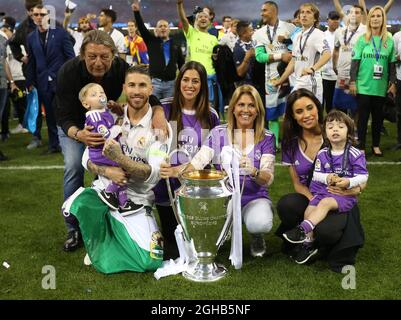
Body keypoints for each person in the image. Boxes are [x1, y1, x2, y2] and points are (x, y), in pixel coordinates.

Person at [55, 29, 168, 252]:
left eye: (104, 57)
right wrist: (79, 134)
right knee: (73, 166)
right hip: (75, 127)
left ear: (114, 55)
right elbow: (63, 115)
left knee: (107, 172)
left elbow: (146, 92)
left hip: (106, 126)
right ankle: (73, 228)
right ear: (82, 55)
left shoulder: (120, 69)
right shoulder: (68, 72)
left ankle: (107, 222)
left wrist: (159, 113)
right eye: (92, 56)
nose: (98, 62)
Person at [160, 85, 275, 258]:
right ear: (233, 108)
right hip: (224, 199)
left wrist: (254, 171)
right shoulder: (218, 133)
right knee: (210, 220)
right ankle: (222, 232)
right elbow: (197, 163)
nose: (246, 110)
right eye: (241, 105)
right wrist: (174, 171)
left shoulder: (266, 137)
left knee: (260, 223)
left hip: (254, 197)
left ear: (258, 110)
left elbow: (268, 178)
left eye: (251, 105)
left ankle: (256, 236)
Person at [277, 88, 366, 272]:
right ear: (293, 116)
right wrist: (315, 202)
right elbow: (297, 183)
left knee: (326, 231)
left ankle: (322, 243)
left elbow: (362, 177)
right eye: (299, 111)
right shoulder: (290, 142)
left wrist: (352, 189)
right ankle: (307, 240)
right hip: (314, 195)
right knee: (287, 205)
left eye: (310, 108)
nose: (307, 115)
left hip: (340, 197)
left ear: (318, 107)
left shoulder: (335, 132)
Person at [153, 61, 220, 259]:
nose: (190, 85)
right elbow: (154, 146)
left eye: (196, 81)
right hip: (165, 188)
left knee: (197, 249)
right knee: (172, 250)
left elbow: (211, 157)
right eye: (186, 80)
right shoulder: (162, 109)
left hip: (195, 190)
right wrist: (162, 166)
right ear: (179, 81)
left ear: (202, 86)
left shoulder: (211, 115)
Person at [79, 82, 142, 215]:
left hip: (108, 151)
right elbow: (105, 134)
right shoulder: (94, 115)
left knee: (124, 171)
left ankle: (123, 203)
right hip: (102, 153)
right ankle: (109, 193)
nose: (100, 95)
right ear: (86, 104)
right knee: (124, 170)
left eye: (102, 92)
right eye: (94, 94)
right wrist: (119, 128)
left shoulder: (103, 112)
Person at [25, 4, 75, 153]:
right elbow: (32, 61)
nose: (39, 17)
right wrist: (30, 82)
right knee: (50, 116)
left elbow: (70, 58)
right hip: (42, 83)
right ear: (32, 17)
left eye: (42, 14)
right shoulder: (31, 37)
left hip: (61, 81)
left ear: (48, 16)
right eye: (36, 15)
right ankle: (54, 145)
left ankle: (70, 141)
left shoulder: (60, 33)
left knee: (65, 113)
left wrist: (68, 78)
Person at [349, 5, 397, 157]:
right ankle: (361, 146)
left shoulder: (389, 41)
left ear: (383, 19)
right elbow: (355, 62)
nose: (376, 19)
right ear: (369, 20)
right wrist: (352, 82)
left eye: (379, 16)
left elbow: (392, 64)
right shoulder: (362, 40)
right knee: (362, 118)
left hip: (381, 87)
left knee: (378, 118)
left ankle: (376, 145)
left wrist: (393, 83)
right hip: (363, 86)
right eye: (373, 16)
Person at [253, 1, 295, 148]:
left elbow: (299, 47)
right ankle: (275, 143)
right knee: (272, 115)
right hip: (271, 79)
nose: (261, 13)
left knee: (292, 111)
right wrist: (280, 56)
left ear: (273, 11)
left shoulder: (290, 28)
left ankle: (292, 141)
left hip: (291, 77)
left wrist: (290, 54)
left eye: (264, 10)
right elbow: (259, 57)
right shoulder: (258, 33)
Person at [272, 3, 331, 104]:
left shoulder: (318, 34)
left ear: (315, 18)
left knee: (312, 116)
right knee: (293, 112)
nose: (304, 15)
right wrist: (281, 80)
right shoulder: (297, 36)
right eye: (302, 12)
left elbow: (327, 54)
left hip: (311, 82)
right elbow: (294, 60)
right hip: (299, 81)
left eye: (308, 12)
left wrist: (312, 69)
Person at [176, 1, 223, 115]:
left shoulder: (214, 39)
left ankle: (208, 132)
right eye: (200, 17)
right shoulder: (192, 33)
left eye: (205, 17)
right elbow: (183, 20)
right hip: (195, 78)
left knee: (208, 110)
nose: (203, 18)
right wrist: (179, 5)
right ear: (196, 20)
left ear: (209, 21)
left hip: (210, 79)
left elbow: (216, 58)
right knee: (193, 109)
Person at [132, 1, 184, 100]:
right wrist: (136, 12)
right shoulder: (151, 41)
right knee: (153, 109)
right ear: (156, 30)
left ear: (169, 29)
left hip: (171, 85)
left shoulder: (175, 45)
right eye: (160, 26)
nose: (163, 28)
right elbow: (142, 28)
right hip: (155, 84)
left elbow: (181, 64)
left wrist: (183, 80)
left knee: (168, 111)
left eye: (165, 26)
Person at [332, 5, 366, 117]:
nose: (353, 15)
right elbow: (336, 49)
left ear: (362, 15)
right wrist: (334, 65)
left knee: (356, 106)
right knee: (340, 105)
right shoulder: (340, 31)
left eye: (357, 12)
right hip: (342, 74)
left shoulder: (365, 31)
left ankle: (355, 129)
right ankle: (343, 129)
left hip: (358, 75)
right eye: (351, 12)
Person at [322, 11, 340, 115]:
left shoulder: (343, 34)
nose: (335, 22)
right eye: (333, 19)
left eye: (337, 19)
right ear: (328, 20)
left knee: (341, 104)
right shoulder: (322, 35)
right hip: (326, 75)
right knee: (328, 103)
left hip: (340, 75)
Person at [392, 27, 401, 151]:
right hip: (400, 79)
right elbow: (392, 57)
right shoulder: (397, 36)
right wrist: (398, 58)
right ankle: (400, 141)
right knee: (400, 112)